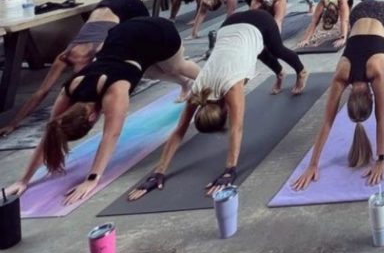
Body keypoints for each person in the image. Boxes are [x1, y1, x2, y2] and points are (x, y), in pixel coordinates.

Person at [5, 17, 201, 205]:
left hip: (157, 31)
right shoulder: (70, 89)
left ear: (92, 117)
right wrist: (23, 180)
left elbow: (111, 135)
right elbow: (50, 134)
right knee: (151, 70)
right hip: (125, 35)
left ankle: (211, 81)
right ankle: (185, 85)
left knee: (176, 67)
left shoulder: (114, 90)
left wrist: (92, 179)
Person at [126, 12, 306, 202]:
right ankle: (279, 73)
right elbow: (179, 130)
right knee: (256, 50)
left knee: (276, 49)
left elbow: (236, 129)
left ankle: (301, 71)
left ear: (224, 112)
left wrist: (230, 170)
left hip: (259, 20)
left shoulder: (231, 86)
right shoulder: (198, 90)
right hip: (228, 27)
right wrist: (158, 173)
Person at [0, 0, 192, 137]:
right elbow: (41, 92)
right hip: (106, 7)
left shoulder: (100, 50)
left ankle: (185, 78)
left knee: (155, 64)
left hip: (129, 7)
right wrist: (14, 123)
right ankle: (184, 82)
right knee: (151, 71)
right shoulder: (63, 57)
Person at [290, 1, 384, 191]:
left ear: (370, 95)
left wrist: (381, 160)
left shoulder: (375, 72)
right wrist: (312, 165)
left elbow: (380, 119)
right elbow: (328, 122)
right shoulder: (342, 75)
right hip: (357, 13)